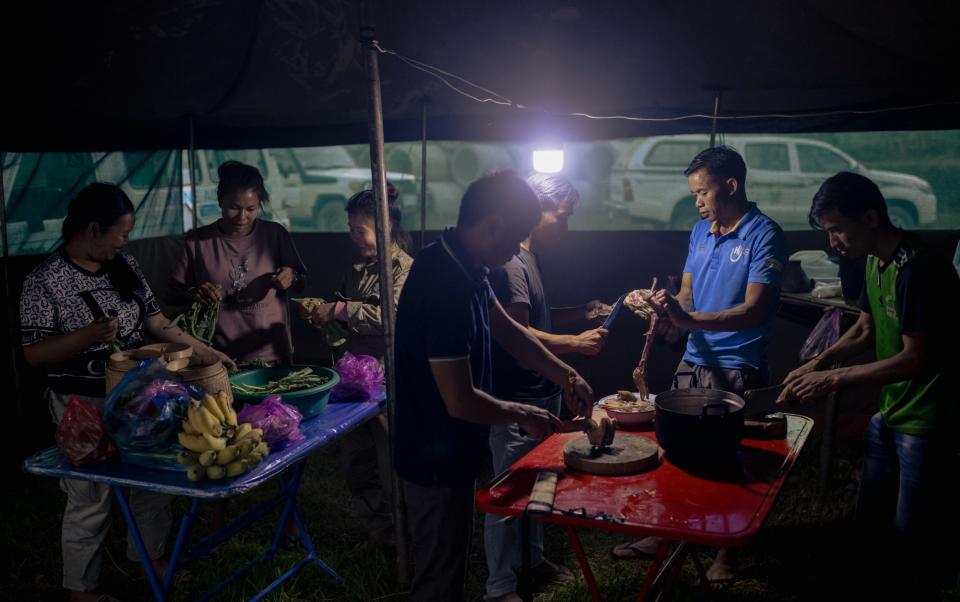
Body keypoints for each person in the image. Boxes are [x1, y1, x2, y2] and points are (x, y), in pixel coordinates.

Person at [19, 183, 234, 602]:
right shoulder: (43, 281)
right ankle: (81, 588)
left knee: (152, 480)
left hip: (144, 399)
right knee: (90, 495)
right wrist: (86, 336)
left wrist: (207, 352)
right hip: (82, 404)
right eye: (121, 232)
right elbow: (33, 354)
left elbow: (157, 324)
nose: (126, 240)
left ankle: (148, 560)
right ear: (93, 228)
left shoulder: (125, 266)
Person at [394, 170, 595, 601]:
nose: (513, 254)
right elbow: (460, 400)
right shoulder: (445, 283)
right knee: (437, 578)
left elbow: (510, 333)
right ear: (493, 226)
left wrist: (567, 375)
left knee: (451, 563)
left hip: (454, 449)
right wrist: (523, 413)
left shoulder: (468, 265)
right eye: (514, 239)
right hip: (432, 452)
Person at [612, 146, 787, 586]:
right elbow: (687, 298)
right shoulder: (700, 232)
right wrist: (665, 307)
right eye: (694, 193)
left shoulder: (765, 234)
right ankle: (661, 533)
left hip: (738, 363)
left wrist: (688, 319)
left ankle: (726, 554)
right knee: (673, 448)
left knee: (732, 458)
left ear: (730, 185)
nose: (697, 201)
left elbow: (754, 311)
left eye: (703, 191)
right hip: (693, 359)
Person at [780, 172, 958, 596]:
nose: (833, 242)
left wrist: (834, 378)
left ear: (871, 218)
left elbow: (916, 359)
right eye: (828, 232)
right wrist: (817, 363)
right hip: (891, 411)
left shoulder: (919, 269)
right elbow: (865, 328)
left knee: (912, 536)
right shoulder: (875, 264)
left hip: (927, 418)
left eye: (838, 229)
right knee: (870, 523)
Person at [483, 173, 608, 602]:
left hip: (541, 391)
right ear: (535, 211)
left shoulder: (528, 258)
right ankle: (499, 587)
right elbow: (518, 334)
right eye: (563, 215)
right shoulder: (511, 264)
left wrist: (577, 315)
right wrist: (574, 346)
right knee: (508, 490)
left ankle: (531, 561)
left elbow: (536, 319)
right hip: (517, 397)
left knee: (538, 484)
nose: (566, 226)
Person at [299, 188, 413, 550]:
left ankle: (406, 535)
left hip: (388, 378)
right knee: (355, 458)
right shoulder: (356, 271)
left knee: (390, 459)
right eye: (350, 229)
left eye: (359, 230)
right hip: (353, 379)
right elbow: (346, 314)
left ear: (387, 225)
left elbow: (391, 317)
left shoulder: (405, 269)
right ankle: (378, 530)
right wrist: (324, 315)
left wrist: (339, 311)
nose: (354, 237)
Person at [169, 160, 307, 366]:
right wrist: (193, 293)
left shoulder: (274, 234)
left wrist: (291, 277)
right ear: (220, 201)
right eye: (234, 207)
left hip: (272, 353)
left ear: (260, 203)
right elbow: (172, 295)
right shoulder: (197, 242)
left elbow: (302, 282)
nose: (242, 216)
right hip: (219, 356)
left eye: (251, 209)